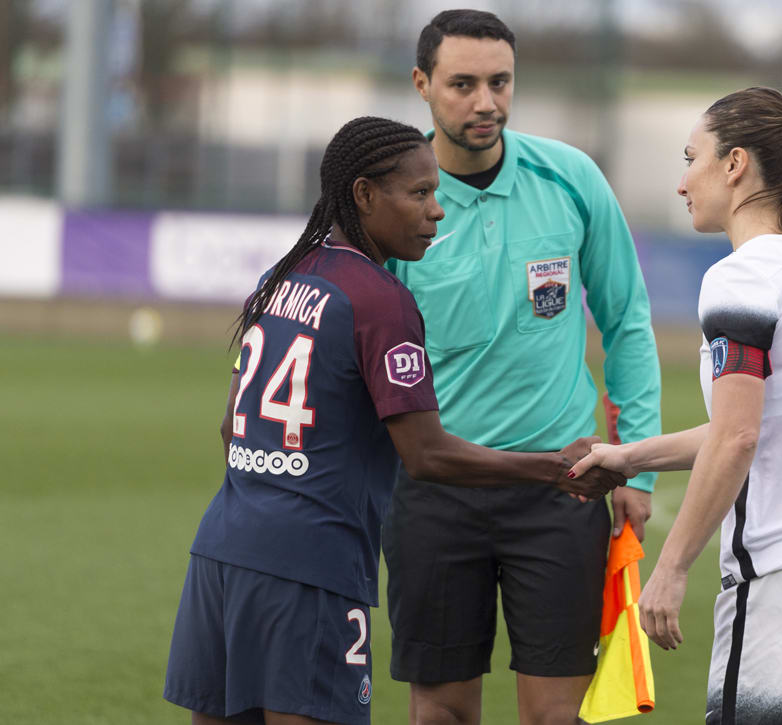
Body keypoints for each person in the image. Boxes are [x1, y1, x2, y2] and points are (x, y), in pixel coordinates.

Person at [163, 116, 622, 725]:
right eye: (420, 193)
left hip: (222, 551)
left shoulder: (279, 279)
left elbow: (230, 430)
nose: (437, 211)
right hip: (310, 568)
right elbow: (427, 455)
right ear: (364, 195)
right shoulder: (380, 298)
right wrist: (556, 470)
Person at [571, 86, 782, 724]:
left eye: (689, 157)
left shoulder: (741, 276)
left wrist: (671, 568)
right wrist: (628, 456)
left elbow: (738, 439)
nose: (681, 182)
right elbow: (765, 424)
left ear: (734, 165)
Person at [379, 10, 662, 725]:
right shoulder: (386, 194)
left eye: (500, 82)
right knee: (440, 710)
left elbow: (627, 320)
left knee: (556, 715)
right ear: (422, 84)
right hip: (435, 486)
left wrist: (637, 468)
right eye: (463, 84)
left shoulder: (570, 178)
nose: (486, 102)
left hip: (561, 488)